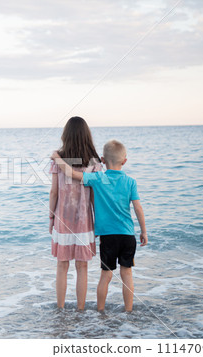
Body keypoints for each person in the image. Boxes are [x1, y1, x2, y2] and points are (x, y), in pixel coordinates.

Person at [51, 139, 148, 312]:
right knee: (127, 273)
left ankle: (100, 311)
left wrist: (56, 157)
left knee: (106, 275)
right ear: (125, 160)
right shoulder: (131, 182)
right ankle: (129, 311)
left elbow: (71, 173)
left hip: (108, 237)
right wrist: (144, 232)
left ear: (102, 160)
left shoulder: (98, 179)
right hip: (127, 235)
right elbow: (138, 208)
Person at [49, 116, 102, 310]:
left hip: (62, 220)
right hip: (84, 221)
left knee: (62, 266)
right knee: (83, 267)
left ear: (66, 135)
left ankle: (60, 309)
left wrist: (50, 218)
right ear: (86, 136)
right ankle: (81, 310)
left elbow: (54, 192)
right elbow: (95, 197)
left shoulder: (58, 159)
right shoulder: (94, 162)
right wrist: (98, 222)